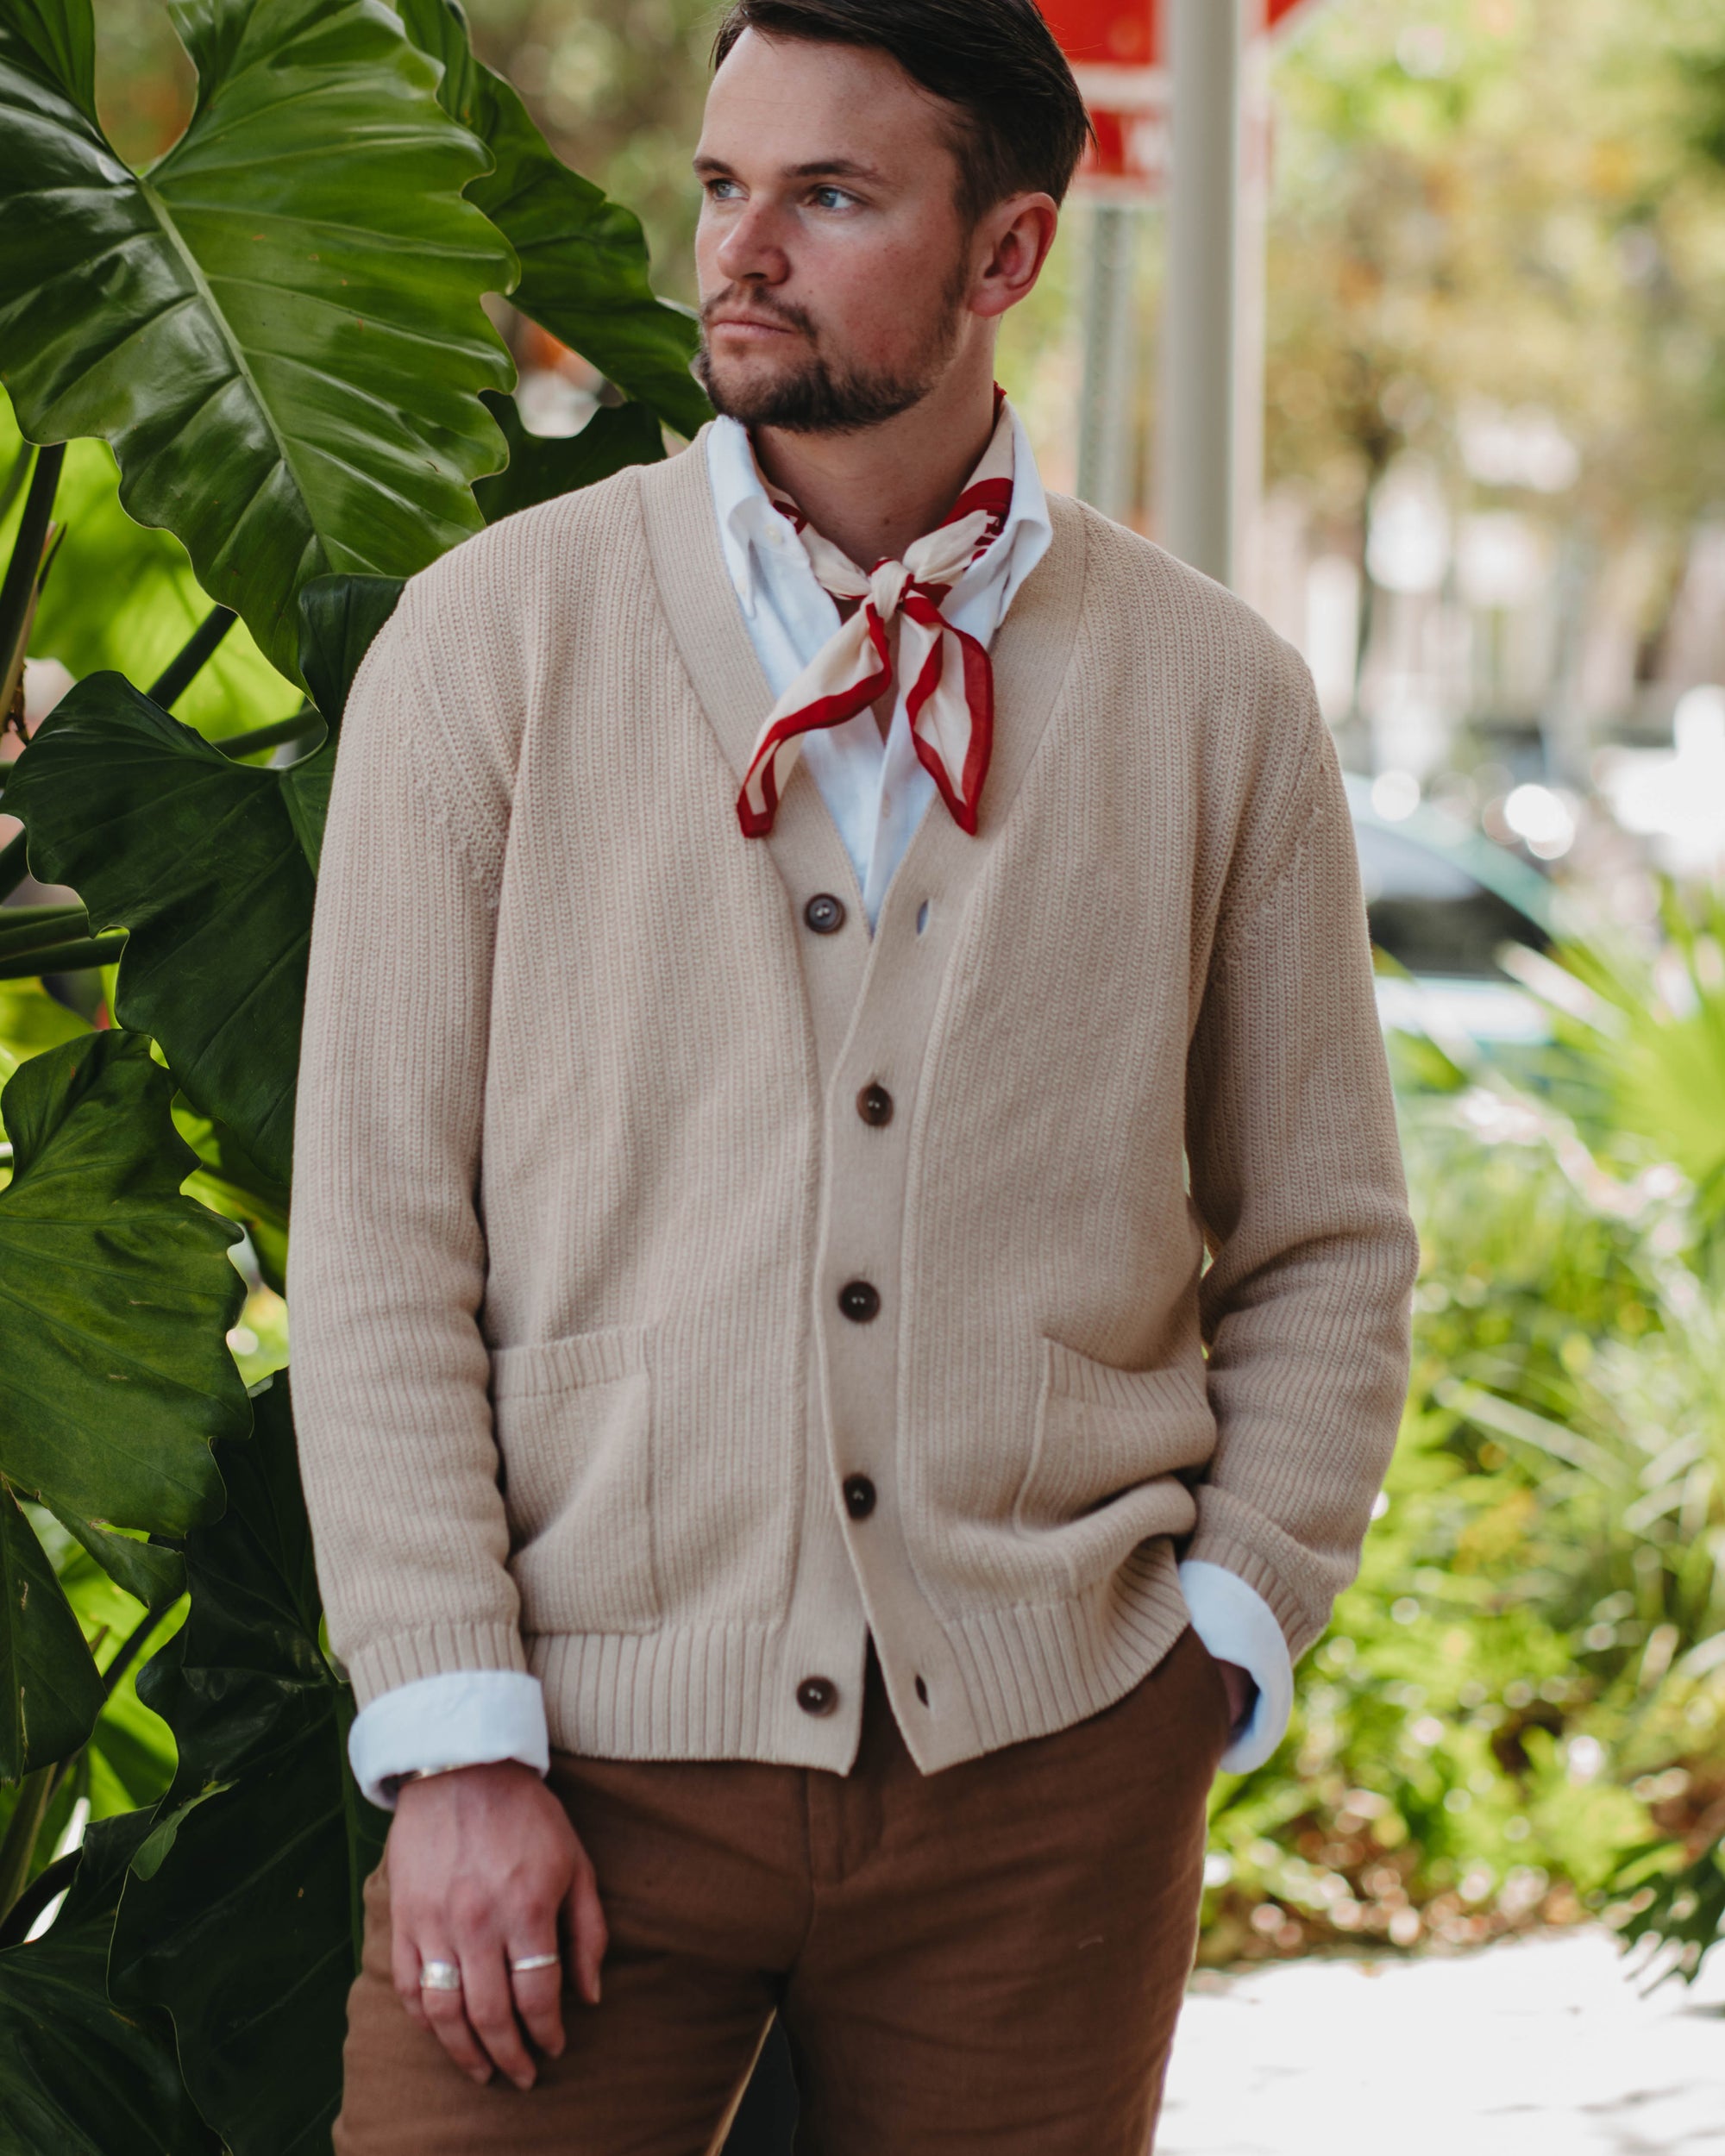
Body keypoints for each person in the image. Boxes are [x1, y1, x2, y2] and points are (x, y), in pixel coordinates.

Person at [287, 2, 1419, 2148]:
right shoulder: (491, 641)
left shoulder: (1217, 701)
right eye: (725, 187)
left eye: (829, 195)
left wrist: (1215, 1648)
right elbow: (371, 1233)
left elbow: (1328, 1237)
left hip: (1048, 1766)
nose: (741, 251)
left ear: (1002, 254)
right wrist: (452, 1743)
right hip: (576, 1764)